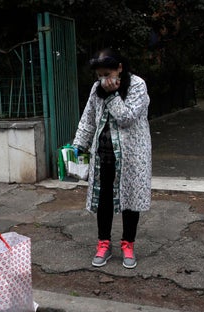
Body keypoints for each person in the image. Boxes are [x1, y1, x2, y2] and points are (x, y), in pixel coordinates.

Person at [72, 48, 152, 269]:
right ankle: (103, 243)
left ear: (119, 68)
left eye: (107, 74)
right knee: (103, 199)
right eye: (99, 76)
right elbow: (88, 119)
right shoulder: (97, 89)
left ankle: (128, 244)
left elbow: (126, 118)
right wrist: (79, 144)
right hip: (103, 154)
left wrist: (112, 95)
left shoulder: (137, 86)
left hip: (132, 156)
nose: (103, 80)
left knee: (130, 199)